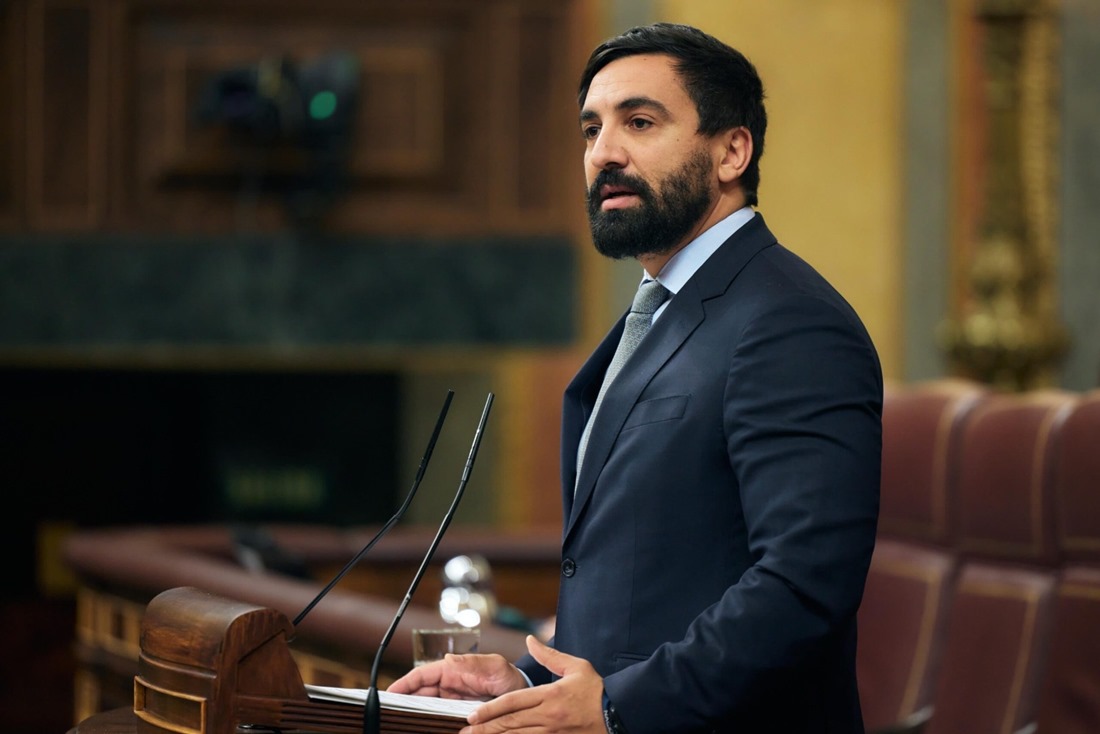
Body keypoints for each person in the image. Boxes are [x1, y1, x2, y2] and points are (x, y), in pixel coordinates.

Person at [389, 22, 882, 733]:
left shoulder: (790, 322)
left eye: (640, 122)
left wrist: (617, 707)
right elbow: (645, 586)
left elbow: (805, 585)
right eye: (591, 129)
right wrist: (530, 681)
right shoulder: (662, 312)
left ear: (731, 152)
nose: (604, 153)